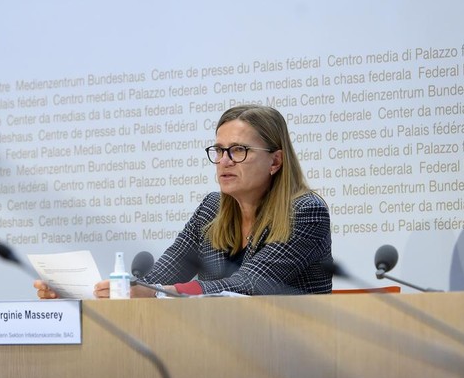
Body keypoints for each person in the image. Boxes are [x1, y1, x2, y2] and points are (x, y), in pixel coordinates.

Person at [34, 104, 332, 299]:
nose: (224, 162)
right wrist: (86, 293)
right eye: (219, 150)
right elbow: (157, 279)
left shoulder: (306, 211)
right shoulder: (210, 212)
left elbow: (249, 285)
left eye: (238, 150)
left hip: (291, 350)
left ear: (275, 161)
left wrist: (160, 292)